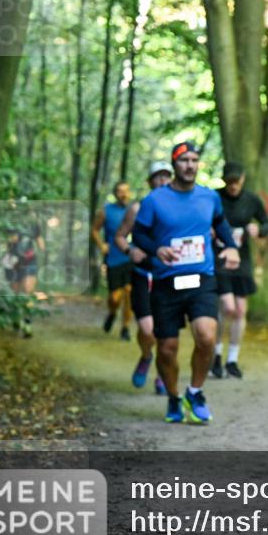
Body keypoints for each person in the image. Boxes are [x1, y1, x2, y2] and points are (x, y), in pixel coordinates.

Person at [132, 142, 241, 423]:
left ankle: (195, 391)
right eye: (184, 160)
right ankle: (173, 396)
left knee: (206, 335)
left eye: (194, 160)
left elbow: (222, 225)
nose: (190, 165)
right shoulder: (155, 200)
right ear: (174, 165)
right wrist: (157, 248)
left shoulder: (208, 197)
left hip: (201, 278)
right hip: (166, 281)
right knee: (167, 349)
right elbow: (139, 235)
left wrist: (230, 246)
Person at [114, 161, 173, 394]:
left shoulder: (179, 208)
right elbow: (120, 237)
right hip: (142, 275)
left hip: (169, 276)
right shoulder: (137, 209)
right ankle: (147, 356)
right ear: (149, 182)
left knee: (166, 330)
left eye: (166, 176)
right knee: (148, 330)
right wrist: (130, 250)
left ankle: (162, 371)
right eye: (157, 177)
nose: (162, 181)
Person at [209, 162, 268, 380]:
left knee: (240, 310)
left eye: (236, 181)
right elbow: (199, 220)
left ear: (243, 179)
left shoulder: (251, 200)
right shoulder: (214, 198)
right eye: (229, 181)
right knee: (226, 307)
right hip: (220, 259)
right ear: (224, 180)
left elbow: (267, 223)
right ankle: (215, 355)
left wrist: (259, 229)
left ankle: (232, 360)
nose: (233, 186)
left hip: (242, 261)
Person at [92, 181, 134, 340]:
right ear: (115, 193)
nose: (123, 194)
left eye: (126, 191)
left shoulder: (135, 210)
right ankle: (112, 312)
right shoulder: (106, 211)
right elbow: (94, 230)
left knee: (129, 292)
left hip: (131, 257)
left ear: (129, 193)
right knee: (115, 297)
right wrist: (101, 245)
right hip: (113, 259)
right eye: (119, 191)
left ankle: (125, 328)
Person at [2, 221, 45, 338]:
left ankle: (27, 324)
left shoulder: (34, 223)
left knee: (27, 292)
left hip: (30, 262)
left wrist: (40, 246)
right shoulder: (9, 219)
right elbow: (7, 241)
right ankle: (16, 318)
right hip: (13, 262)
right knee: (15, 293)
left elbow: (40, 242)